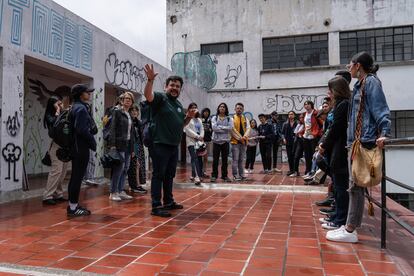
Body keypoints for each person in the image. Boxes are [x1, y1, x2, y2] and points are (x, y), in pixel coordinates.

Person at [326, 52, 390, 243]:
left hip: (365, 141)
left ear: (358, 66)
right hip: (356, 142)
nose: (348, 68)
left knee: (355, 186)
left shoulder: (371, 82)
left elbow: (381, 108)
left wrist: (385, 131)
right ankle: (349, 226)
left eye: (350, 65)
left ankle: (350, 229)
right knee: (354, 186)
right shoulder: (359, 84)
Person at [143, 64, 195, 217]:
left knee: (169, 175)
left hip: (173, 145)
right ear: (166, 86)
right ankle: (156, 206)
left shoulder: (178, 104)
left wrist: (188, 118)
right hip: (160, 143)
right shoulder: (161, 98)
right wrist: (150, 80)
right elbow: (148, 95)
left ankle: (168, 201)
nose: (175, 88)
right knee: (158, 174)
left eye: (178, 86)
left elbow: (181, 124)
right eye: (172, 85)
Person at [319, 76, 351, 230]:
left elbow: (336, 129)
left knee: (340, 187)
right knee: (338, 186)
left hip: (340, 150)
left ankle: (340, 220)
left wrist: (324, 145)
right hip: (336, 150)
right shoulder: (340, 104)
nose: (328, 93)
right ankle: (336, 216)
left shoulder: (343, 105)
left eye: (330, 90)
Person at [66, 84, 96, 217]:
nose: (89, 94)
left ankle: (72, 205)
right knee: (77, 178)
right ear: (80, 94)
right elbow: (81, 129)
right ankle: (73, 208)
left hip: (75, 147)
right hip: (80, 148)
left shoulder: (74, 107)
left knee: (75, 178)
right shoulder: (81, 109)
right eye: (86, 92)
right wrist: (92, 141)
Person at [108, 91, 135, 201]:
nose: (128, 100)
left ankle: (120, 190)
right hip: (119, 144)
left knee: (126, 169)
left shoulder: (129, 114)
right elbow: (112, 128)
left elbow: (131, 133)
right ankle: (113, 192)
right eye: (126, 98)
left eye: (130, 99)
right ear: (122, 101)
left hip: (128, 144)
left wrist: (132, 148)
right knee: (119, 168)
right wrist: (113, 144)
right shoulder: (117, 112)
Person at [42, 95, 68, 205]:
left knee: (62, 172)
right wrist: (58, 111)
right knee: (56, 171)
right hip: (56, 146)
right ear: (53, 105)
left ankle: (58, 194)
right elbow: (55, 124)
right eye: (58, 104)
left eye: (61, 103)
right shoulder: (49, 115)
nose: (61, 105)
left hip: (65, 146)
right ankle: (47, 196)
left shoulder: (63, 114)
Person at [211, 103, 233, 183]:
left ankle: (224, 176)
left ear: (226, 109)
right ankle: (214, 176)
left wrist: (219, 127)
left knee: (225, 160)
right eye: (221, 106)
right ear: (218, 108)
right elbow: (214, 128)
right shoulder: (214, 117)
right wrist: (224, 129)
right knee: (215, 160)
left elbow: (230, 128)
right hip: (216, 142)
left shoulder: (229, 118)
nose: (222, 108)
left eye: (224, 107)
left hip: (225, 142)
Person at [127, 104, 148, 194]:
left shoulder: (138, 122)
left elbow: (141, 135)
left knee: (139, 166)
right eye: (132, 111)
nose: (134, 112)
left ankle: (137, 185)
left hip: (139, 145)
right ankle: (135, 185)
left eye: (136, 111)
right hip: (132, 145)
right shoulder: (129, 121)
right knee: (135, 166)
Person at [184, 103, 204, 185]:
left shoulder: (199, 119)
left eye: (195, 107)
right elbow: (187, 129)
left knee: (197, 159)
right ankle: (197, 176)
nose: (194, 109)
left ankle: (193, 174)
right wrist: (197, 136)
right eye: (192, 108)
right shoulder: (188, 117)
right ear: (189, 109)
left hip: (199, 142)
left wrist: (201, 136)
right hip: (191, 141)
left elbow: (202, 128)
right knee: (194, 158)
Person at [302, 101, 323, 177]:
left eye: (308, 104)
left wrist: (316, 133)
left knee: (313, 155)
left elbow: (322, 125)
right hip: (306, 137)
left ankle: (314, 172)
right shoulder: (304, 114)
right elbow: (304, 125)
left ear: (311, 105)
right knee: (307, 155)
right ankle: (308, 171)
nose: (306, 106)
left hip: (313, 137)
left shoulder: (316, 113)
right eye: (305, 104)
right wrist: (301, 133)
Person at [231, 103, 250, 181]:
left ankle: (242, 174)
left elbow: (248, 128)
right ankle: (235, 175)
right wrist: (240, 138)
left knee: (241, 159)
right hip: (235, 142)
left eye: (241, 108)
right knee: (235, 159)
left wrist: (245, 137)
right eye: (238, 108)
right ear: (235, 109)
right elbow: (232, 130)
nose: (239, 109)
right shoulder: (232, 118)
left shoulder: (245, 118)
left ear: (243, 110)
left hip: (244, 142)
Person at [282, 111, 297, 176]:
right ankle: (291, 170)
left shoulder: (297, 123)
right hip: (288, 142)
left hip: (296, 142)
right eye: (289, 114)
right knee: (290, 157)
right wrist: (284, 139)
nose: (290, 115)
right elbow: (282, 133)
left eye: (292, 114)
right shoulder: (285, 124)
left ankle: (296, 170)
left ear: (294, 115)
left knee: (295, 157)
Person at [201, 108, 212, 177]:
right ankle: (199, 172)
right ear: (203, 112)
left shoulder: (210, 120)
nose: (206, 113)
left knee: (205, 157)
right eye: (205, 112)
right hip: (200, 140)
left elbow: (211, 129)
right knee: (200, 157)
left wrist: (209, 129)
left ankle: (204, 171)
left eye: (208, 112)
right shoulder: (200, 120)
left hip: (208, 140)